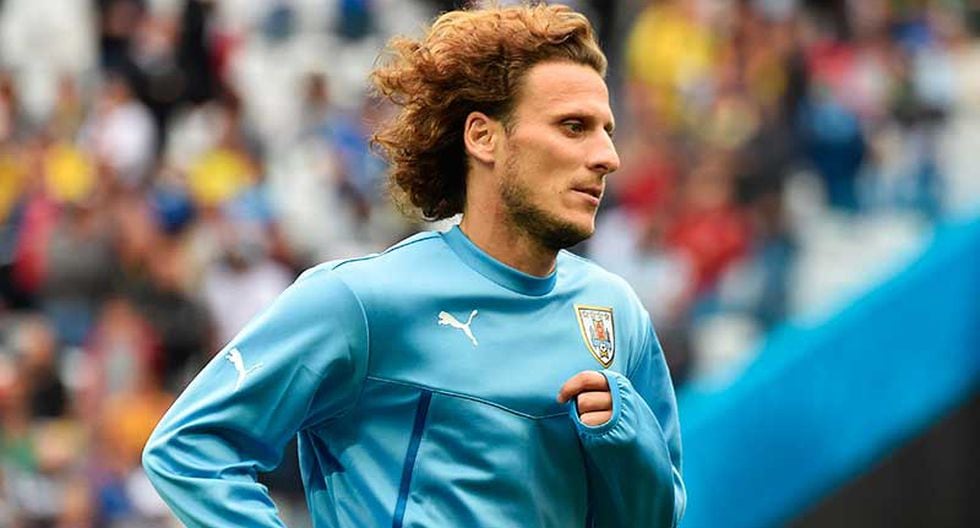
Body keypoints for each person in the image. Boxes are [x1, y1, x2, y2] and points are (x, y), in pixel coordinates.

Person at [142, 4, 685, 527]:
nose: (607, 157)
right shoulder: (364, 302)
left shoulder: (616, 315)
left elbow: (655, 519)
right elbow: (190, 448)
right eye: (573, 126)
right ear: (483, 137)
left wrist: (627, 439)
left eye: (607, 130)